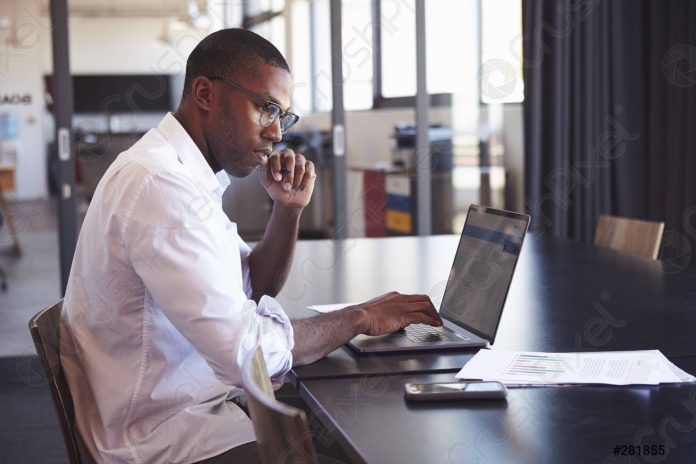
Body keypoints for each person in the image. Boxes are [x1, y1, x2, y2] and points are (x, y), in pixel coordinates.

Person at [60, 28, 442, 463]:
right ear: (205, 93)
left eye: (284, 116)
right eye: (267, 109)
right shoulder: (161, 184)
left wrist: (288, 209)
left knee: (366, 428)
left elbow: (254, 284)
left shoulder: (183, 176)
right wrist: (359, 316)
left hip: (193, 409)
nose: (277, 133)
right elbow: (246, 355)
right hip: (165, 440)